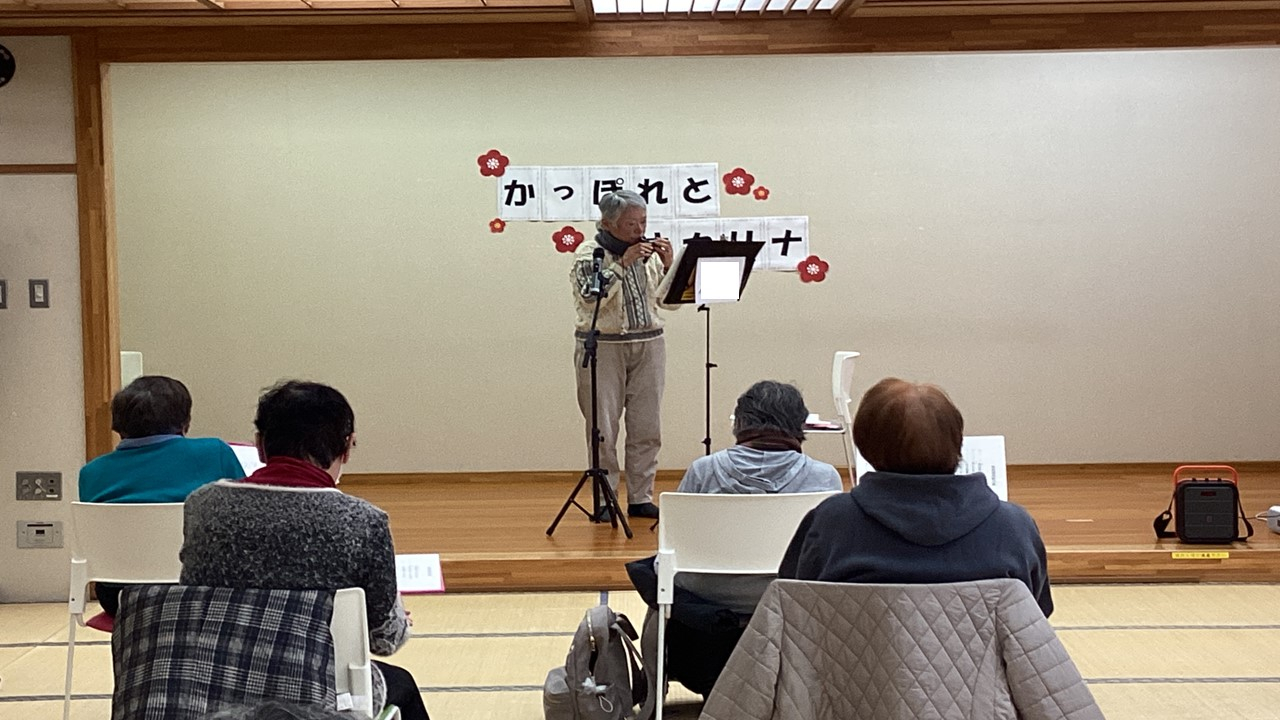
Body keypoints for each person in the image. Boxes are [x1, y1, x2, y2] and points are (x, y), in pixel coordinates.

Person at [180, 381, 429, 720]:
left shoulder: (202, 506)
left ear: (260, 444)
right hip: (317, 694)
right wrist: (398, 617)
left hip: (210, 685)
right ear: (346, 447)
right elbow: (385, 640)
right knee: (402, 685)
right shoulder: (363, 521)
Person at [626, 381, 842, 704]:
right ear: (800, 427)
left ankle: (656, 686)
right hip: (789, 644)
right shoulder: (824, 478)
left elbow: (668, 560)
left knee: (657, 575)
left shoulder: (703, 472)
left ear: (739, 424)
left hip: (699, 648)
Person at [779, 377, 1053, 617]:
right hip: (983, 664)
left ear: (863, 444)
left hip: (854, 663)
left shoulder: (831, 521)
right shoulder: (1013, 526)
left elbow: (795, 606)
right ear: (957, 440)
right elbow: (1035, 617)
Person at [78, 375, 246, 615]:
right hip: (201, 591)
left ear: (117, 424)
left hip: (119, 598)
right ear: (185, 422)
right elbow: (243, 512)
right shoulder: (214, 452)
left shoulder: (91, 473)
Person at [571, 190, 675, 520]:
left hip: (649, 343)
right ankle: (605, 500)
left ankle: (641, 497)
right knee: (602, 428)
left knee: (647, 426)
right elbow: (590, 298)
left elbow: (670, 303)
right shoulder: (589, 254)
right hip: (604, 346)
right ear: (607, 223)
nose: (639, 230)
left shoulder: (648, 253)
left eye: (643, 221)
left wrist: (670, 265)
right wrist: (623, 264)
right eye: (631, 224)